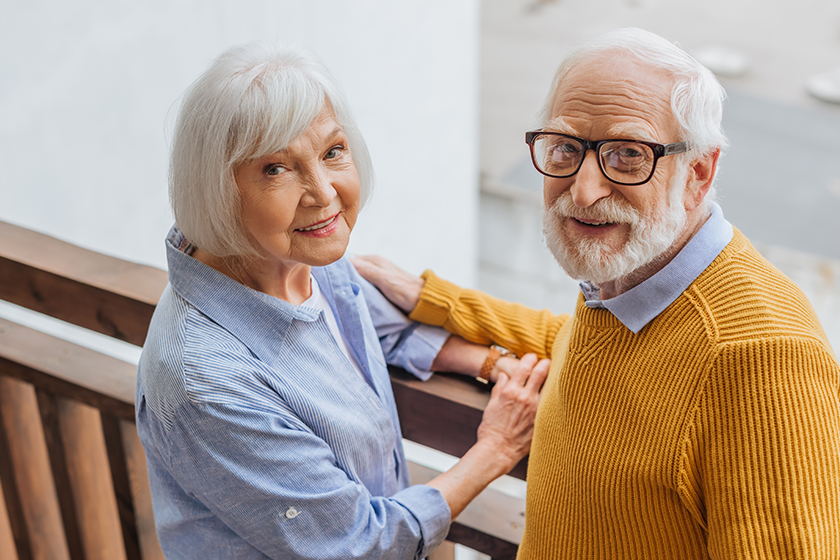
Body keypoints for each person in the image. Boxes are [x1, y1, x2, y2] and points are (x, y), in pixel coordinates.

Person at [354, 27, 840, 559]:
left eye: (628, 155)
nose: (584, 191)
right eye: (564, 148)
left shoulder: (761, 359)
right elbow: (598, 351)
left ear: (698, 172)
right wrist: (435, 298)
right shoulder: (631, 285)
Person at [135, 41, 550, 560]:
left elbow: (371, 328)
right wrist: (498, 448)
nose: (324, 193)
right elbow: (359, 544)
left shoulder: (294, 256)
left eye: (333, 151)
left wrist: (491, 363)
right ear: (217, 190)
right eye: (276, 169)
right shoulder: (204, 381)